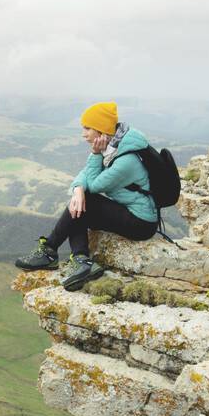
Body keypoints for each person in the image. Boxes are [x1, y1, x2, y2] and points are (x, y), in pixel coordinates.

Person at [16, 101, 158, 289]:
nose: (83, 134)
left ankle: (50, 251)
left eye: (87, 128)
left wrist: (94, 154)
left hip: (141, 223)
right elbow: (85, 175)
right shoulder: (115, 148)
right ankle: (81, 260)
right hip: (128, 211)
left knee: (85, 202)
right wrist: (77, 190)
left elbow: (94, 185)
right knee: (80, 205)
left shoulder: (126, 160)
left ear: (100, 130)